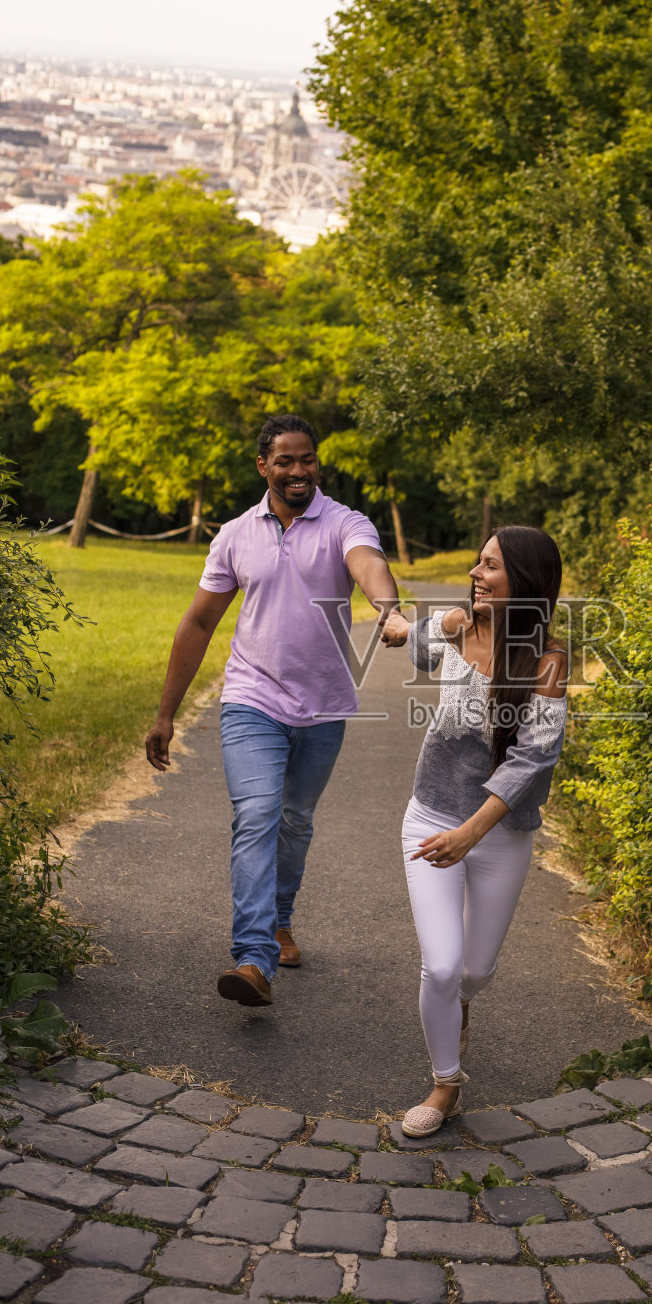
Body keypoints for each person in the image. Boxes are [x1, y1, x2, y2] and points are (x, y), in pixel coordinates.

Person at [145, 413, 401, 1006]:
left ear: (317, 463)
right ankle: (254, 957)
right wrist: (165, 713)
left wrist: (387, 609)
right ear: (263, 466)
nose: (297, 470)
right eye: (284, 460)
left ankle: (280, 915)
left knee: (294, 820)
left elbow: (369, 566)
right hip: (251, 698)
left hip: (325, 705)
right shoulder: (235, 534)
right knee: (257, 814)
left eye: (306, 459)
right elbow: (201, 621)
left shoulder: (344, 522)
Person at [380, 526, 568, 1135]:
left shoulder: (548, 661)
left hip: (499, 834)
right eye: (476, 564)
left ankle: (459, 1004)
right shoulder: (460, 626)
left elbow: (533, 758)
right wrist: (403, 628)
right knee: (440, 966)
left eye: (489, 566)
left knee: (474, 973)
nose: (475, 574)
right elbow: (417, 646)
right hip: (431, 815)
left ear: (525, 581)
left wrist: (472, 833)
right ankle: (445, 1084)